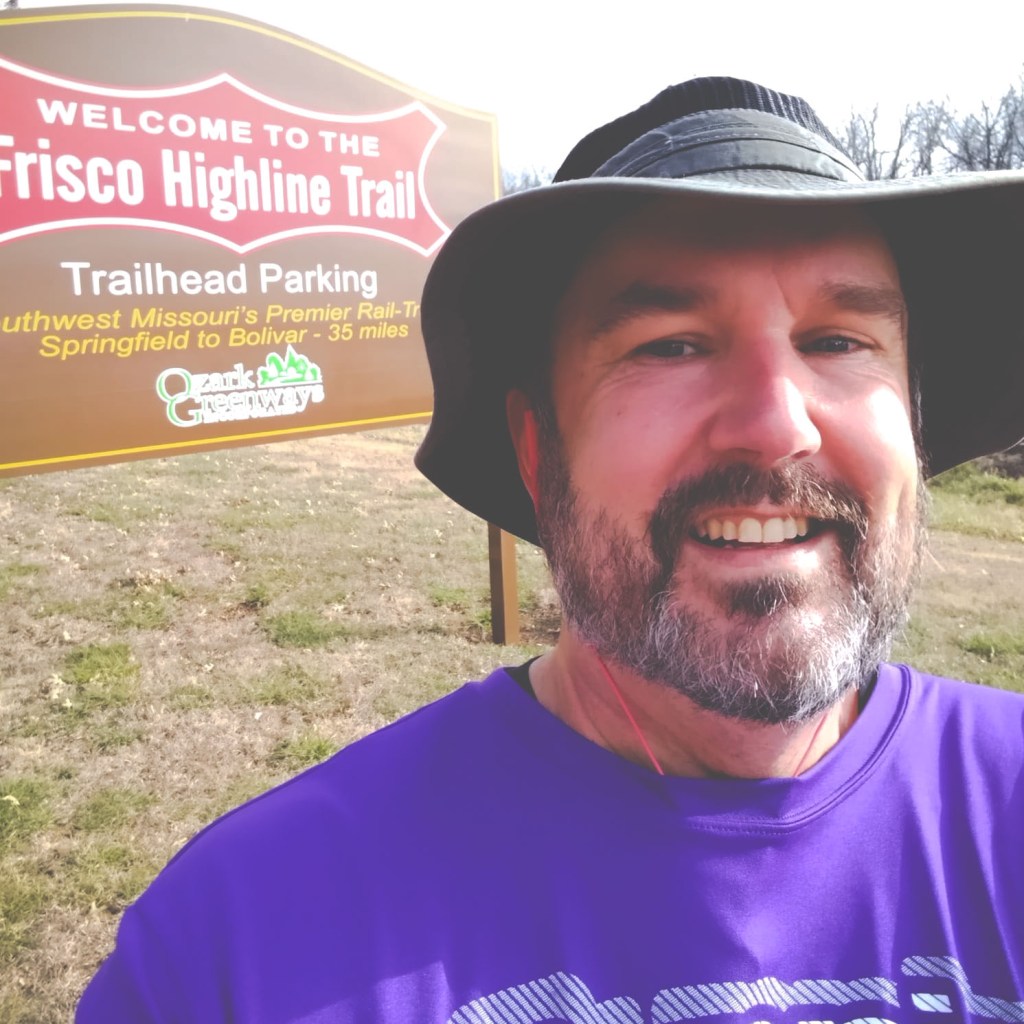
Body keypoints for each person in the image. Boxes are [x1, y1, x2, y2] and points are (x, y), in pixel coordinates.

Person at [78, 78, 1024, 1023]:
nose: (778, 426)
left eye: (838, 339)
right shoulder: (244, 945)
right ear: (539, 452)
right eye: (672, 346)